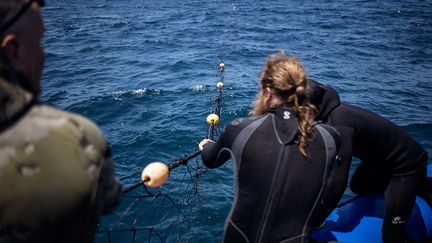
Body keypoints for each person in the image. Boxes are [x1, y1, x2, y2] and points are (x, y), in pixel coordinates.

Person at [0, 1, 122, 242]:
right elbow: (110, 197)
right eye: (40, 43)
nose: (45, 55)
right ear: (13, 51)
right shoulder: (77, 136)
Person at [198, 52, 346, 243]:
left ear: (267, 93)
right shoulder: (331, 138)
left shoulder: (240, 128)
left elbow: (209, 160)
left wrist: (207, 146)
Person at [304, 77, 429, 243]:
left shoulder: (339, 124)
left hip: (406, 167)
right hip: (380, 162)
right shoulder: (333, 114)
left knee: (392, 236)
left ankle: (415, 186)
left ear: (311, 107)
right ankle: (417, 186)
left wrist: (315, 220)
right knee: (358, 186)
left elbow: (338, 183)